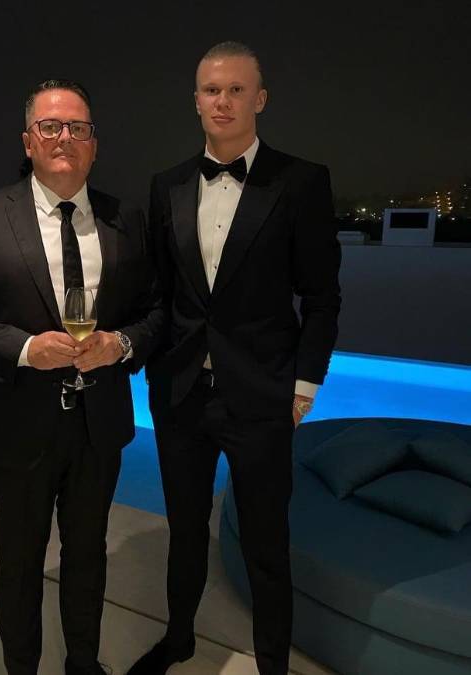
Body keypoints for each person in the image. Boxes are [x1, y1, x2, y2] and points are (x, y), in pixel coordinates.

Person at [0, 79, 162, 675]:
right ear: (28, 141)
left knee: (88, 556)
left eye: (78, 128)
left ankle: (83, 663)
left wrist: (120, 344)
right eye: (50, 126)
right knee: (20, 562)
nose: (64, 138)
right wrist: (25, 349)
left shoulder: (126, 219)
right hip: (17, 426)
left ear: (94, 144)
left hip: (99, 426)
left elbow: (158, 312)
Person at [128, 42, 341, 675]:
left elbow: (322, 297)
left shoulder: (302, 181)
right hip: (182, 396)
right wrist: (136, 358)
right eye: (211, 90)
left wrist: (303, 386)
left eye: (236, 90)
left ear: (260, 99)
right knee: (184, 531)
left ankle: (272, 663)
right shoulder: (166, 185)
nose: (222, 101)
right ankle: (179, 640)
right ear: (195, 100)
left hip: (263, 395)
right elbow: (160, 294)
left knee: (267, 543)